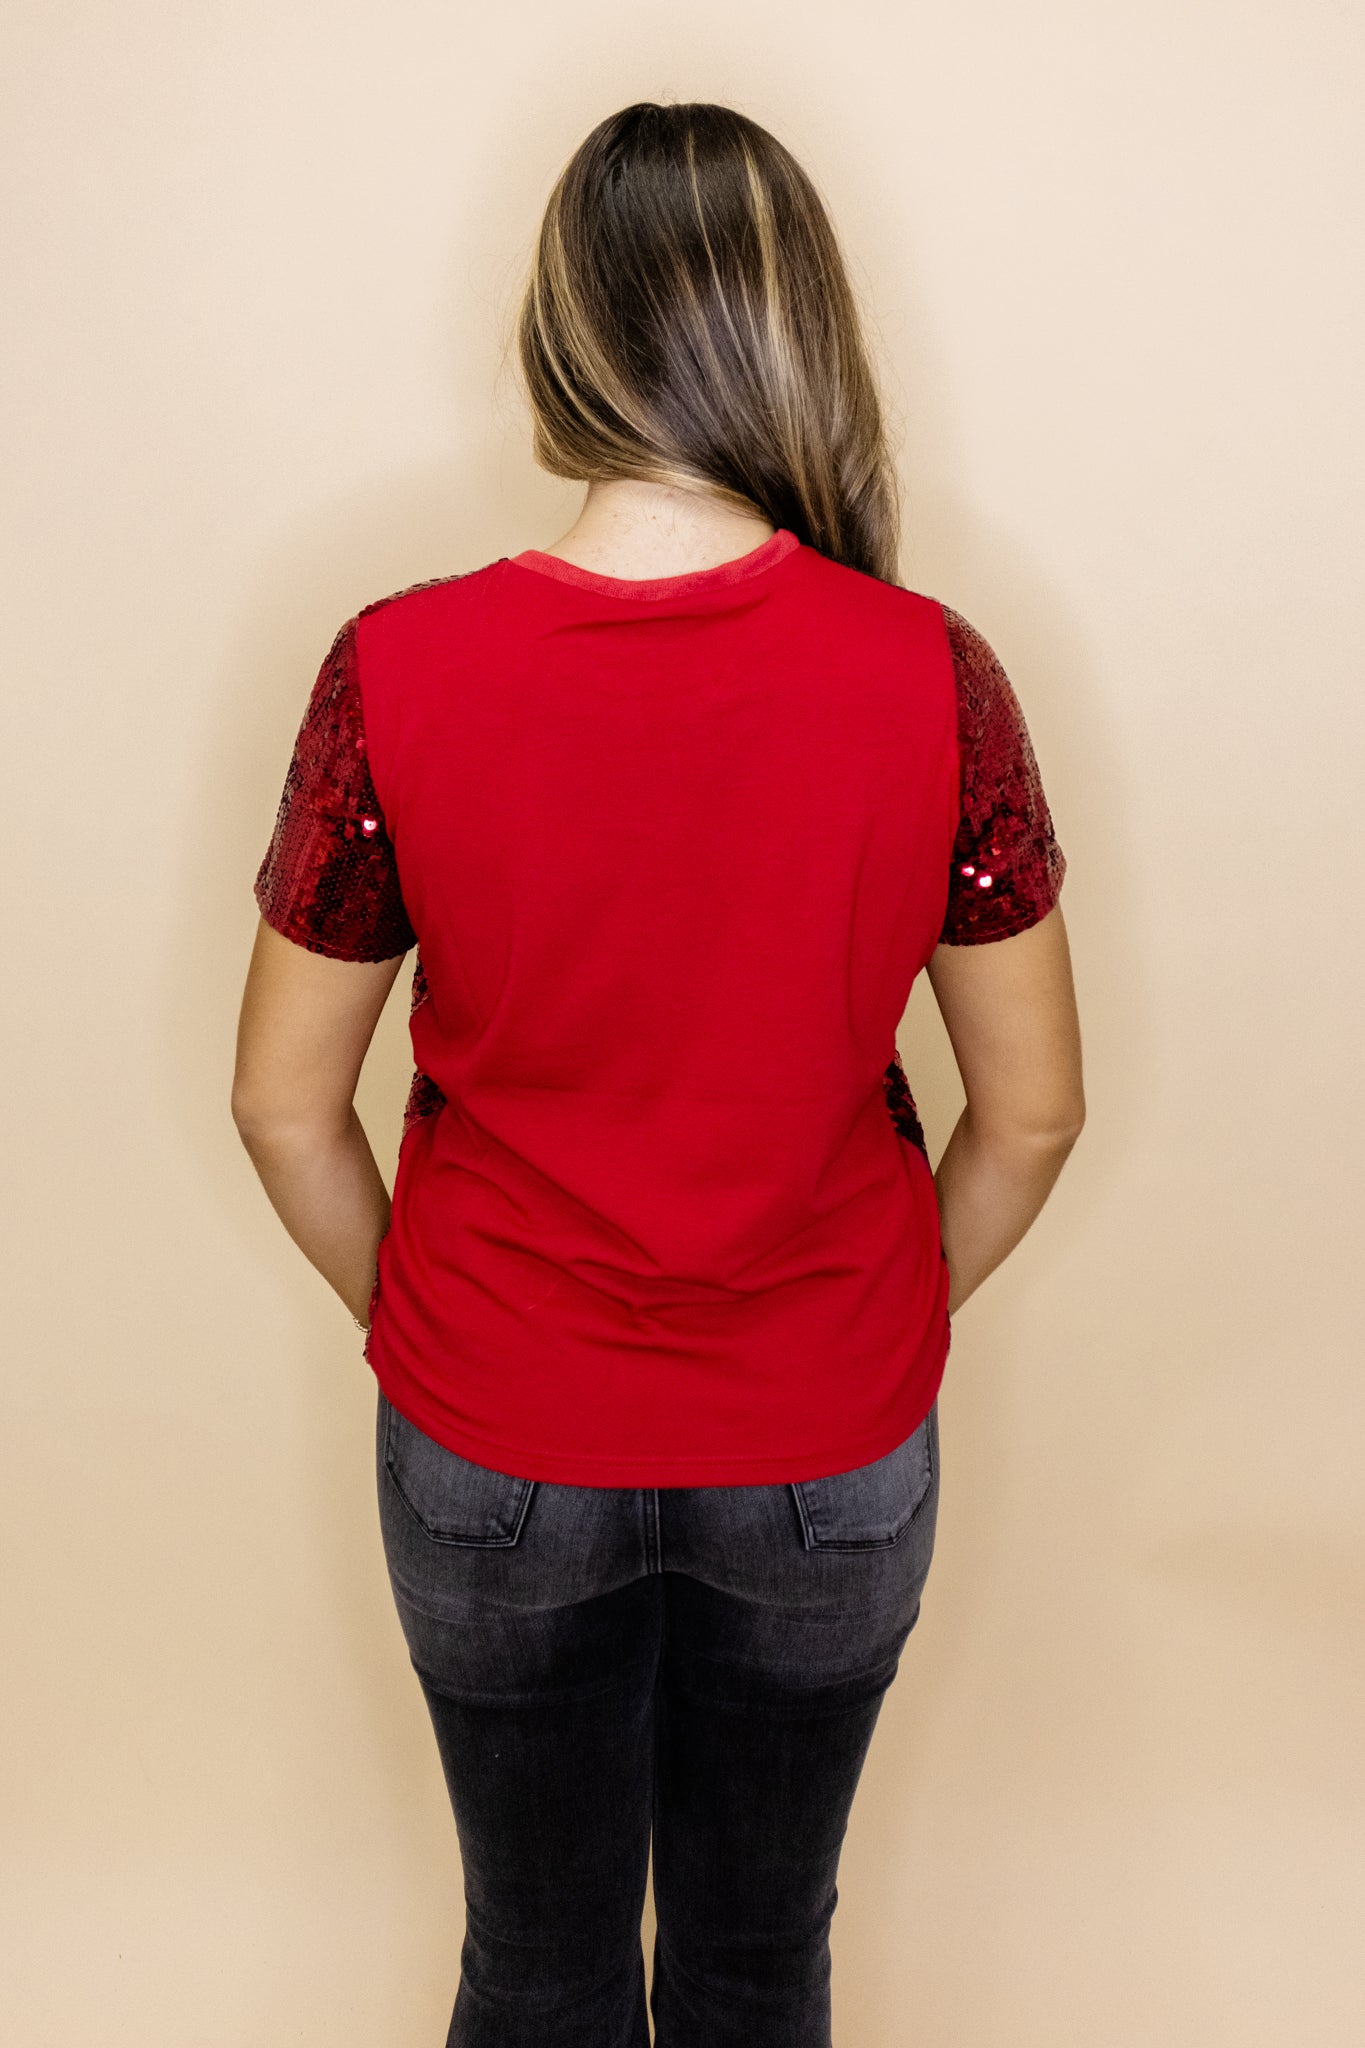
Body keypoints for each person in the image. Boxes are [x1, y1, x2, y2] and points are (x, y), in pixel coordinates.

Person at [232, 99, 1084, 2048]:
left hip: (490, 1428)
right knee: (754, 1963)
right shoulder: (925, 672)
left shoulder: (396, 667)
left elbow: (285, 1103)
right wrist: (865, 1315)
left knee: (529, 1963)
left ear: (558, 337)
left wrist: (438, 1322)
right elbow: (1029, 1113)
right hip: (823, 1437)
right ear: (796, 328)